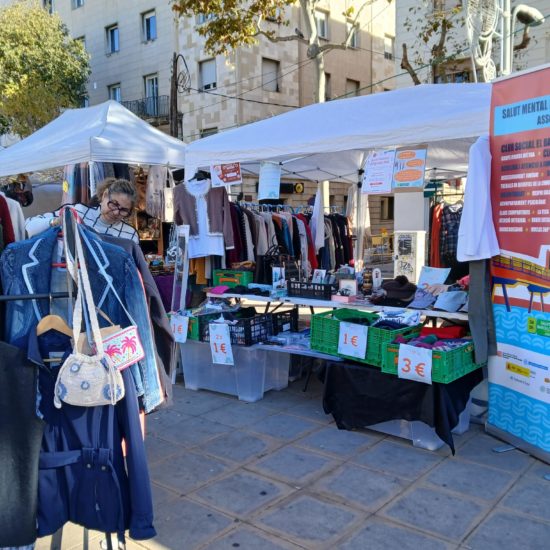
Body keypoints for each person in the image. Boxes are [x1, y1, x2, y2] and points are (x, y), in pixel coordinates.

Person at [25, 177, 139, 243]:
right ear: (105, 195)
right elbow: (28, 227)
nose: (116, 212)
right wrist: (55, 221)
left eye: (124, 210)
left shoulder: (130, 234)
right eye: (114, 204)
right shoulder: (77, 211)